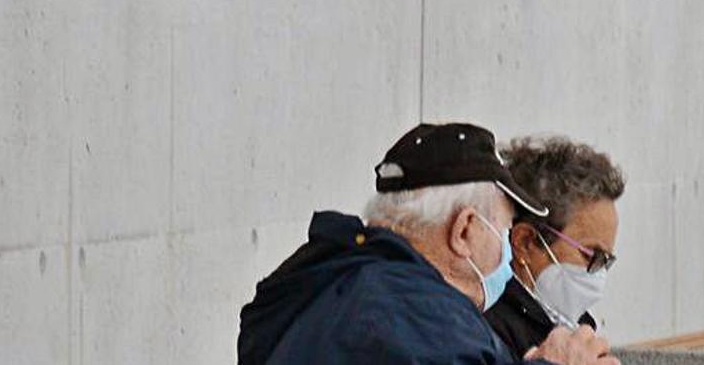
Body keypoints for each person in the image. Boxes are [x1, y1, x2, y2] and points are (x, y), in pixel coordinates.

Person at [237, 123, 620, 364]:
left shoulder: (327, 281)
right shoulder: (422, 318)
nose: (506, 248)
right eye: (503, 229)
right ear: (465, 230)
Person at [484, 136, 625, 359]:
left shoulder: (577, 327)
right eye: (592, 255)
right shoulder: (486, 329)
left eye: (606, 261)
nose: (599, 274)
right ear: (525, 243)